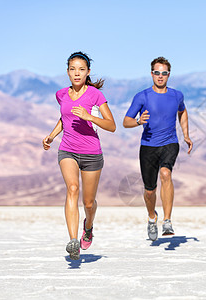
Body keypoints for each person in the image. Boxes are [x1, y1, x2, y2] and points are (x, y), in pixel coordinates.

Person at [42, 52, 116, 260]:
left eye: (81, 69)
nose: (77, 73)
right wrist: (51, 136)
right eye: (73, 69)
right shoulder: (61, 94)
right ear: (67, 71)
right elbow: (64, 118)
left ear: (88, 72)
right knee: (72, 188)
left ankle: (89, 227)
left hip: (92, 153)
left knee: (89, 203)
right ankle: (73, 240)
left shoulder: (95, 95)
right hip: (67, 150)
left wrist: (88, 116)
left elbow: (111, 126)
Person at [123, 56, 193, 241]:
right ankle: (152, 217)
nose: (160, 76)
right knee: (149, 190)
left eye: (164, 73)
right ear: (151, 74)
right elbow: (126, 121)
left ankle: (167, 220)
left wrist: (185, 134)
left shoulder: (177, 95)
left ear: (169, 75)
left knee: (166, 174)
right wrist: (138, 121)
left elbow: (182, 110)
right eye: (156, 72)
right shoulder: (142, 96)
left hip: (170, 142)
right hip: (148, 146)